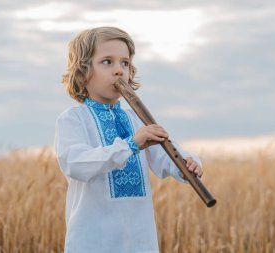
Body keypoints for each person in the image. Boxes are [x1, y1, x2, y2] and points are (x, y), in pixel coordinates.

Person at [54, 26, 203, 253]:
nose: (119, 71)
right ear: (83, 72)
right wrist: (131, 145)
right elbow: (75, 164)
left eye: (125, 63)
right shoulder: (74, 119)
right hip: (93, 242)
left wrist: (187, 165)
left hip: (139, 242)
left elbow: (165, 158)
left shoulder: (136, 118)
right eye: (107, 62)